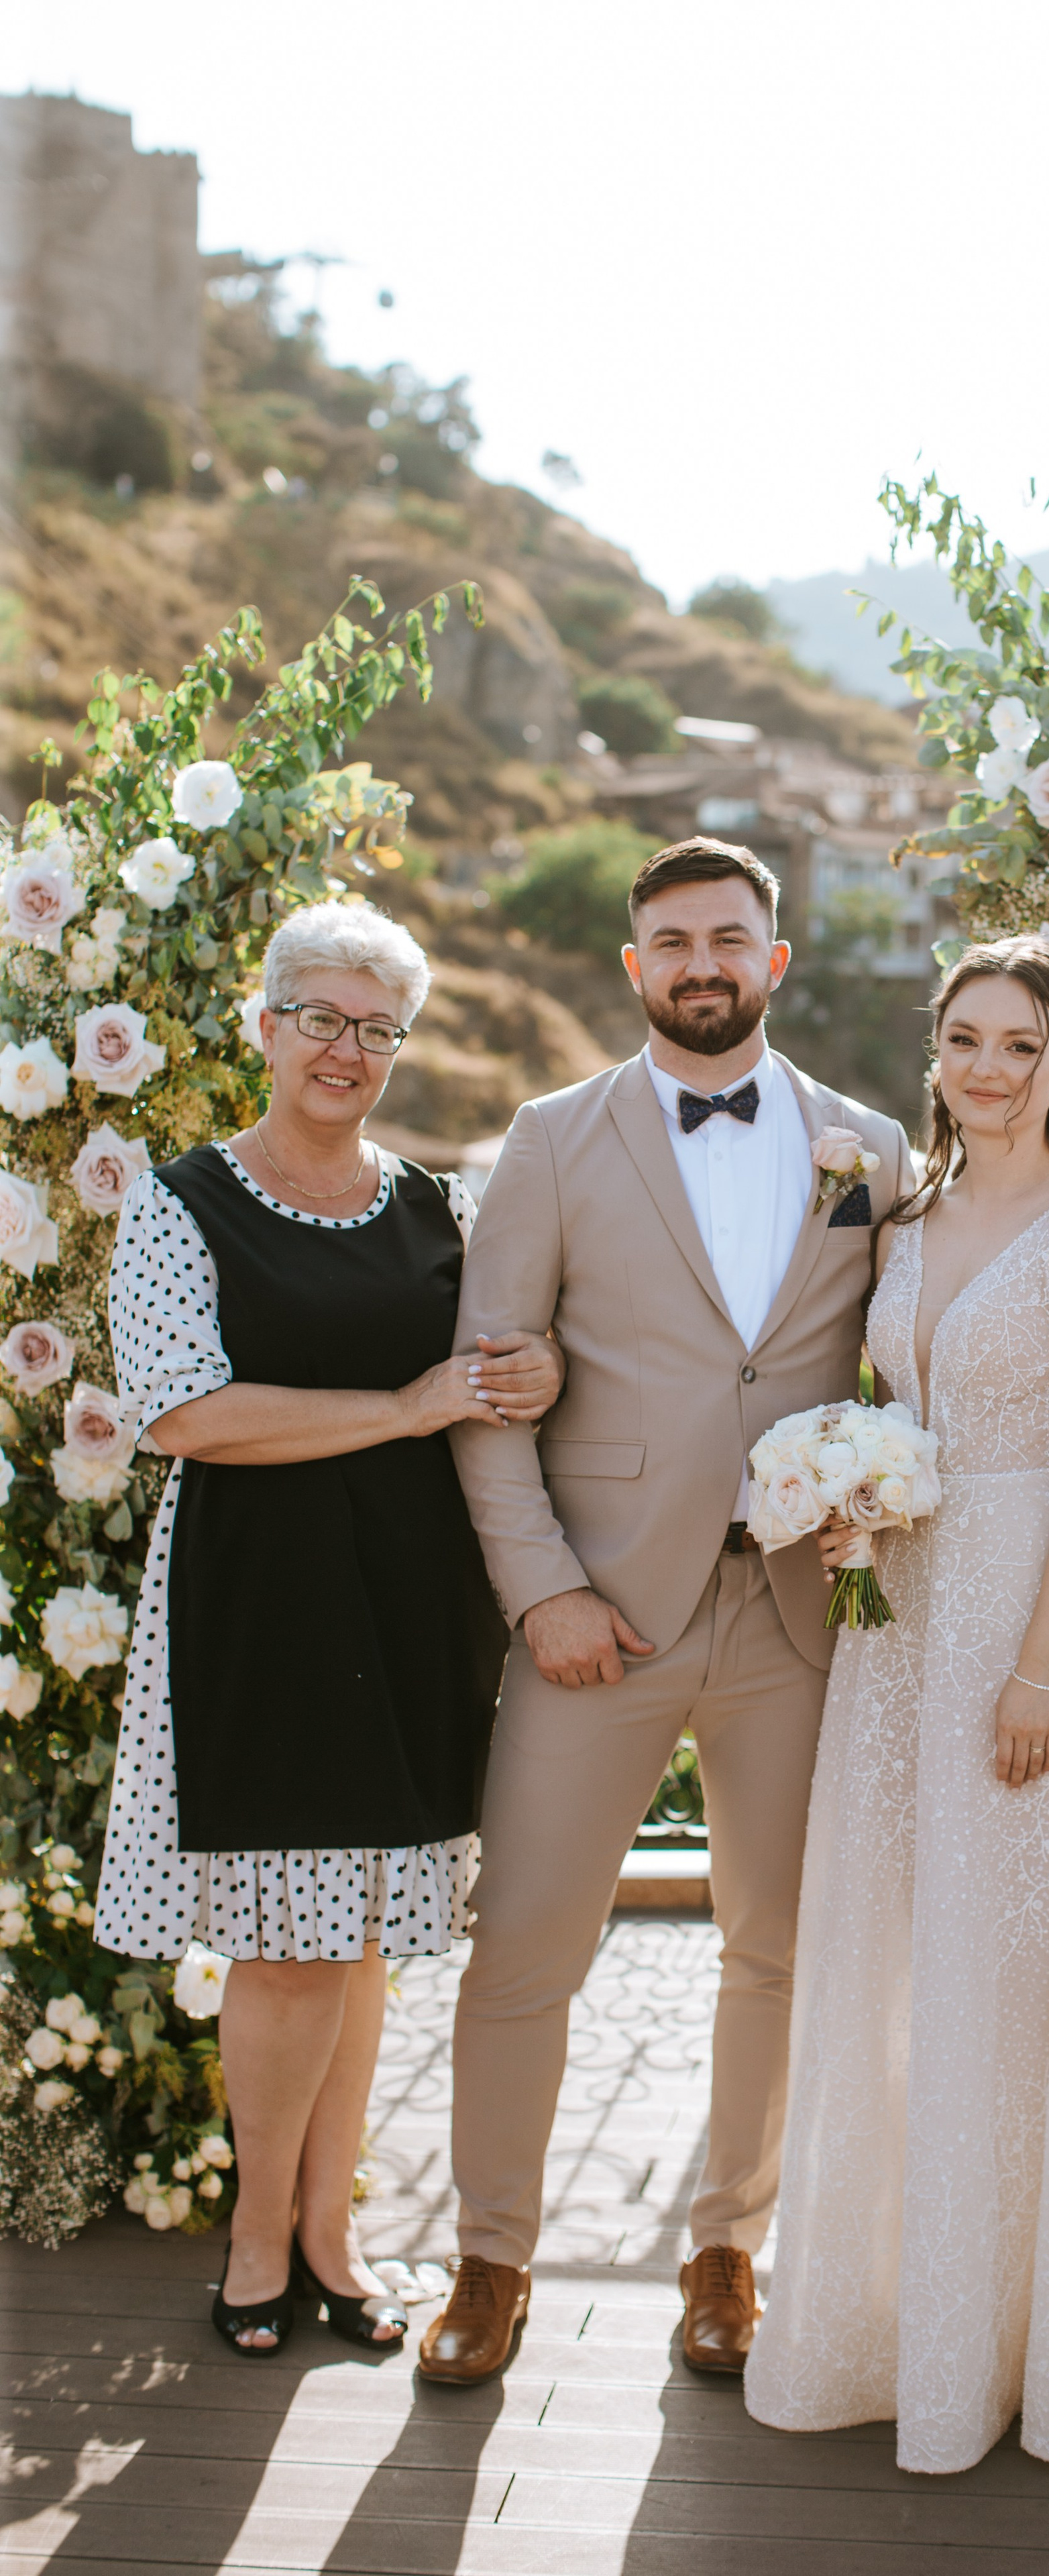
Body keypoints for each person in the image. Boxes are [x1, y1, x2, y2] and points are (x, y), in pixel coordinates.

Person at [743, 938, 1049, 2475]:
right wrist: (843, 1498)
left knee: (1019, 1963)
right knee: (901, 1947)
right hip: (896, 1619)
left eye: (1018, 1044)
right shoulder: (897, 1219)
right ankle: (907, 2311)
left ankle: (1038, 2330)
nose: (985, 1068)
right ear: (936, 1052)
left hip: (1020, 1605)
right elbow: (884, 1402)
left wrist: (1046, 1671)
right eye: (962, 1039)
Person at [418, 836, 912, 2387]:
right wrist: (542, 1591)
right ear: (634, 970)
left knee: (774, 1949)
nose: (701, 962)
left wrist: (873, 1497)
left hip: (794, 1618)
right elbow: (491, 1394)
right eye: (672, 942)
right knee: (523, 1954)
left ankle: (725, 2252)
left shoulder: (871, 1149)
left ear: (776, 961)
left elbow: (900, 1361)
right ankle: (489, 2262)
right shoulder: (550, 1139)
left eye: (729, 937)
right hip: (597, 1616)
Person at [95, 900, 563, 2357]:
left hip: (409, 1601)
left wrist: (526, 1372)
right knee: (290, 1950)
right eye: (321, 1018)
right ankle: (254, 2238)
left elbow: (499, 1367)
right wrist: (404, 1408)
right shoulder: (183, 1201)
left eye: (377, 1027)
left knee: (356, 1941)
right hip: (262, 1597)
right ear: (266, 1026)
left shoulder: (436, 1206)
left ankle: (330, 2236)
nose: (347, 1050)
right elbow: (180, 1411)